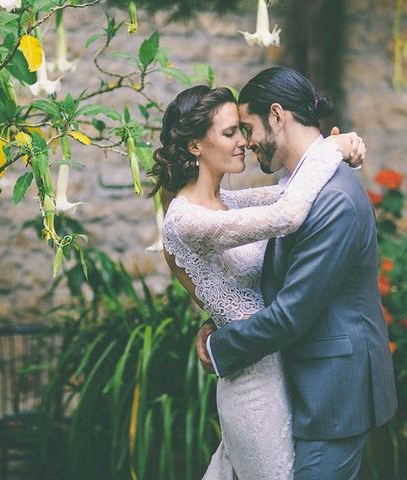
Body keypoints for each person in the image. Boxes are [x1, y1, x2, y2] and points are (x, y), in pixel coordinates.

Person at [151, 78, 365, 479]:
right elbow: (286, 216)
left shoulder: (227, 202)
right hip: (251, 382)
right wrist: (332, 148)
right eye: (231, 132)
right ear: (196, 145)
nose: (244, 143)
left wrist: (336, 149)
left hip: (276, 365)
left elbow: (289, 191)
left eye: (243, 131)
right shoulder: (186, 218)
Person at [196, 67, 398, 479]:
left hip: (335, 391)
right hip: (311, 382)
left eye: (248, 128)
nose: (247, 143)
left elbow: (293, 311)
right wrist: (221, 315)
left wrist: (220, 347)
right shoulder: (303, 183)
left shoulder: (333, 198)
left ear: (277, 115)